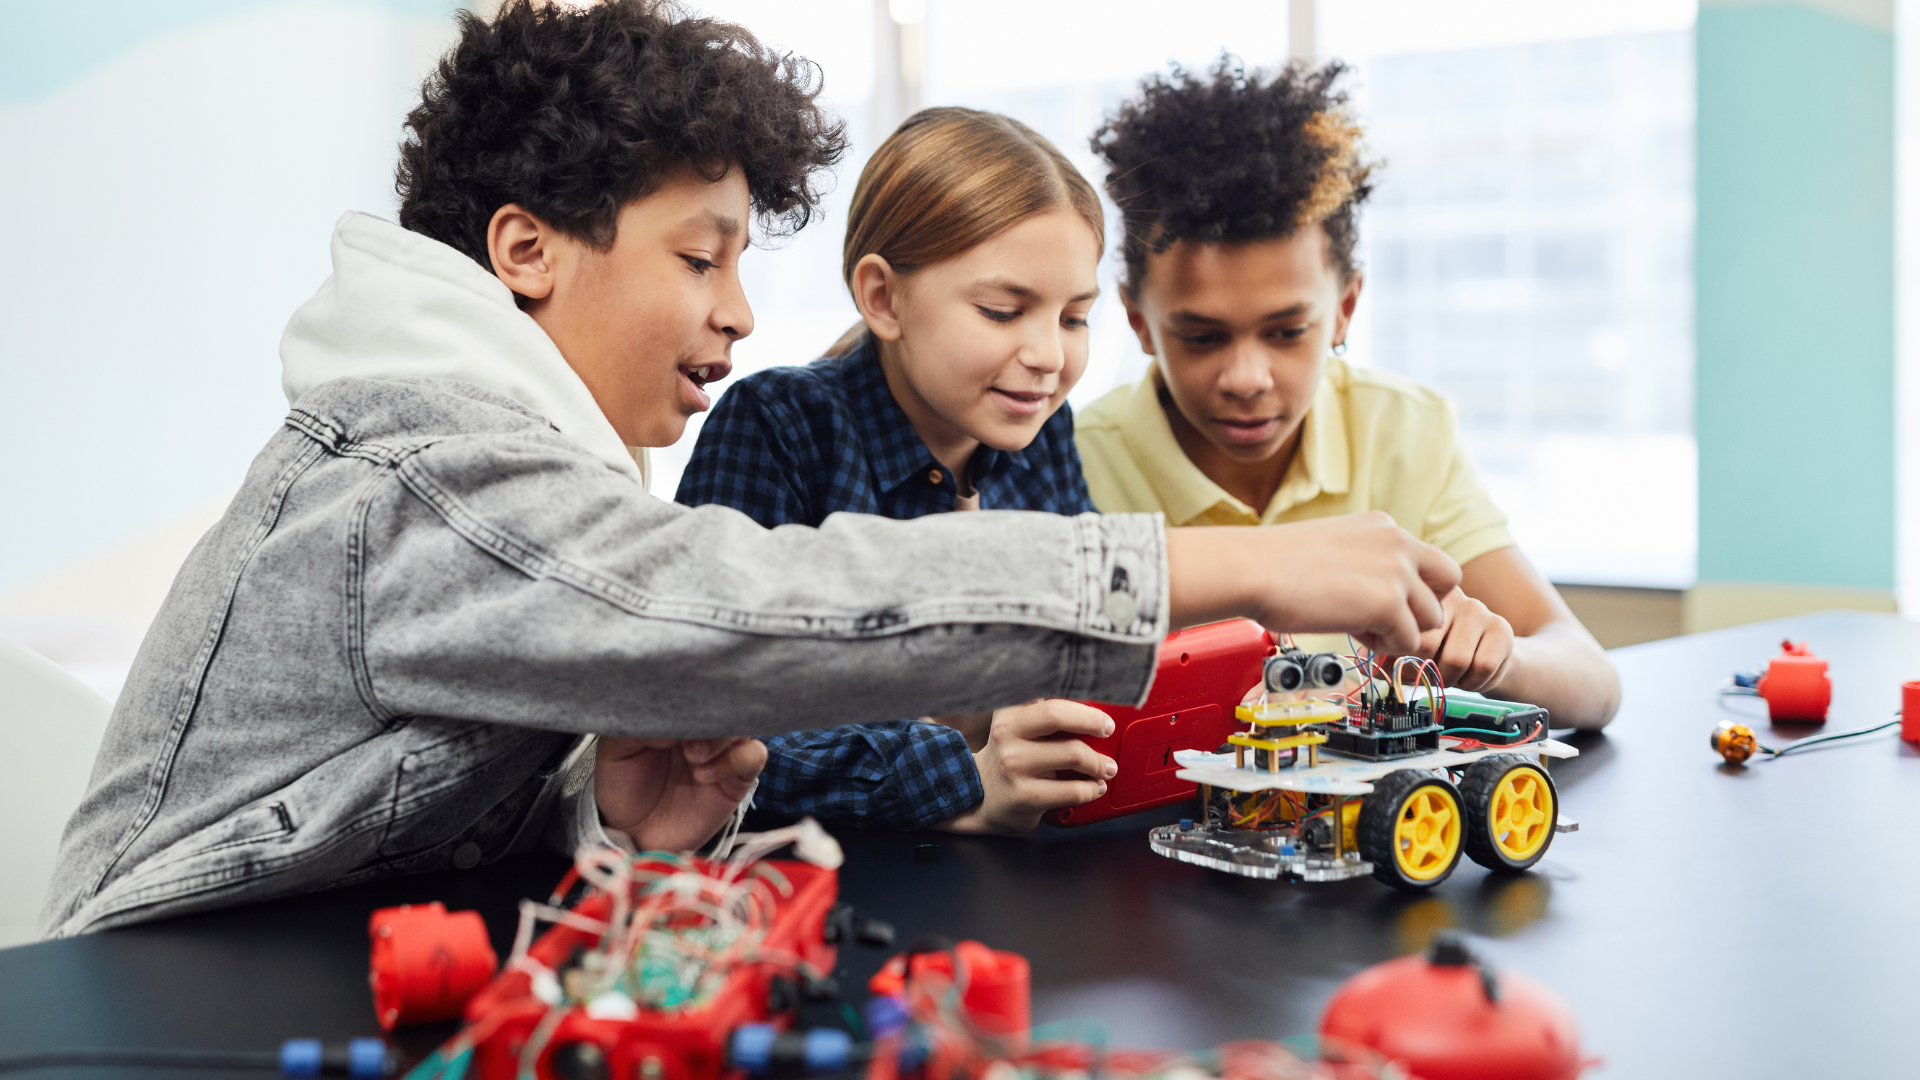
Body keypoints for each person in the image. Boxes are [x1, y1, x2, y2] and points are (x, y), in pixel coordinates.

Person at [41, 2, 1459, 938]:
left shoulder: (525, 463)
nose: (735, 312)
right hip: (149, 1007)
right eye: (700, 258)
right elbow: (749, 603)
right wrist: (1241, 565)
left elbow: (406, 824)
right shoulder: (421, 469)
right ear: (526, 251)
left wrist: (608, 822)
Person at [1076, 59, 1619, 729]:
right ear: (1139, 322)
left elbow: (1594, 679)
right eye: (1202, 337)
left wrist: (1495, 659)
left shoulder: (1404, 429)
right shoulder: (1071, 462)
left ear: (1345, 308)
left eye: (1286, 331)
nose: (1247, 378)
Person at [677, 108, 1113, 834]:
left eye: (1074, 318)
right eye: (1003, 312)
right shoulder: (780, 426)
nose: (1049, 356)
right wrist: (966, 782)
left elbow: (1091, 648)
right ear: (883, 297)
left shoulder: (1044, 430)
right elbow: (712, 734)